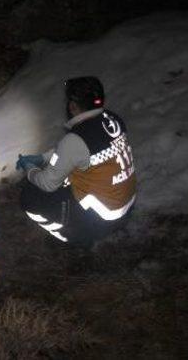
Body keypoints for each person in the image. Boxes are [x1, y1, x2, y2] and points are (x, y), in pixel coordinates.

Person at [16, 76, 136, 248]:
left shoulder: (76, 139)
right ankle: (86, 226)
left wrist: (30, 169)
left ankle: (73, 237)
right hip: (125, 206)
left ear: (72, 106)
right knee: (69, 174)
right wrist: (43, 158)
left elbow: (47, 183)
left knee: (31, 197)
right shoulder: (113, 119)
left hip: (103, 218)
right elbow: (78, 151)